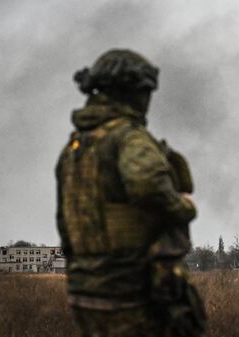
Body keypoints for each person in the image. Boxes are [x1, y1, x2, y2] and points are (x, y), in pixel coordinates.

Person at [55, 49, 206, 337]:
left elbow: (65, 222)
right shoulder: (127, 139)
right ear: (131, 92)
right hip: (132, 292)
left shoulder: (75, 148)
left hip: (85, 292)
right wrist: (185, 206)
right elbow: (149, 186)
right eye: (145, 92)